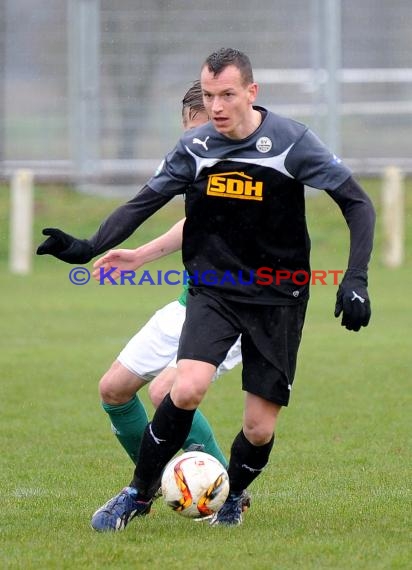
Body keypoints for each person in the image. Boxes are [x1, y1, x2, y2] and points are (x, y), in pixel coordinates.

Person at [37, 48, 375, 530]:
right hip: (213, 290)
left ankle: (233, 496)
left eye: (227, 95)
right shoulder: (195, 147)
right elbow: (143, 203)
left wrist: (355, 276)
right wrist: (89, 245)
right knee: (184, 386)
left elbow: (357, 203)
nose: (216, 106)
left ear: (251, 93)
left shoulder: (290, 142)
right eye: (210, 95)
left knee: (259, 428)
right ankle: (136, 493)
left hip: (279, 297)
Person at [90, 82, 242, 474]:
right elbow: (196, 222)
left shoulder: (251, 174)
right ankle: (148, 484)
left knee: (165, 393)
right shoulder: (199, 167)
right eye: (190, 134)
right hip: (187, 303)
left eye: (203, 133)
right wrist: (139, 255)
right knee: (113, 389)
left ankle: (226, 494)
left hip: (234, 311)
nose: (196, 144)